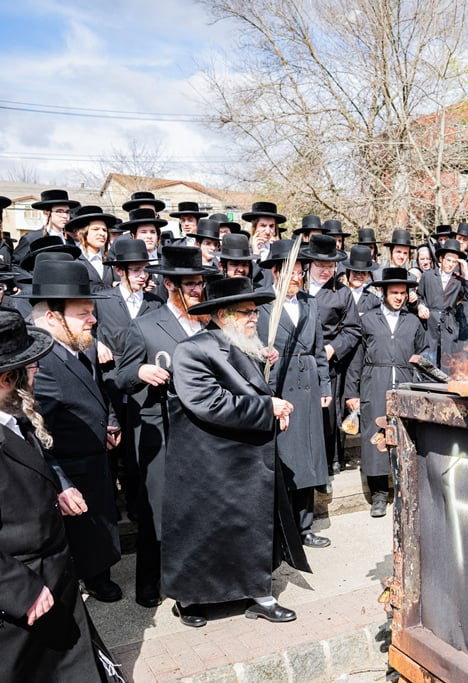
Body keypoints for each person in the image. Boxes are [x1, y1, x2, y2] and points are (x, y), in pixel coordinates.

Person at [163, 276, 309, 627]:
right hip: (206, 462)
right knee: (203, 533)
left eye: (255, 312)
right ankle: (191, 599)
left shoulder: (242, 344)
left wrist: (273, 413)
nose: (254, 318)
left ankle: (260, 595)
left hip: (243, 458)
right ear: (223, 315)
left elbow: (251, 392)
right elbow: (208, 403)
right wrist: (267, 409)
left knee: (251, 528)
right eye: (246, 312)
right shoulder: (193, 350)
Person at [0, 308, 117, 681]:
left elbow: (35, 461)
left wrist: (58, 486)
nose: (37, 374)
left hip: (54, 577)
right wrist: (19, 591)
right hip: (24, 596)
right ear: (7, 378)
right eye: (31, 367)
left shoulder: (15, 418)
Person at [17, 259, 123, 602]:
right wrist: (61, 482)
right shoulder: (41, 365)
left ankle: (97, 573)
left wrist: (109, 421)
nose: (93, 320)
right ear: (52, 317)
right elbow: (34, 431)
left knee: (99, 532)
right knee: (83, 537)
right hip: (71, 469)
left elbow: (95, 390)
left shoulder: (79, 344)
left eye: (92, 311)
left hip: (95, 459)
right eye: (84, 313)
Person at [116, 246, 210, 608]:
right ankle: (149, 582)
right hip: (158, 430)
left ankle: (189, 583)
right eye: (190, 285)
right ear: (169, 284)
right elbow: (121, 377)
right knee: (156, 509)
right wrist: (139, 371)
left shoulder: (206, 322)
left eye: (200, 283)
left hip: (199, 431)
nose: (197, 291)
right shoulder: (143, 325)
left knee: (194, 508)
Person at [257, 240, 333, 548]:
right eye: (291, 271)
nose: (297, 277)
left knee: (309, 458)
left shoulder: (309, 303)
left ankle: (304, 526)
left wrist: (325, 385)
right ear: (275, 272)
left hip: (309, 386)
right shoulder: (262, 306)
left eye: (301, 271)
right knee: (285, 457)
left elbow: (318, 349)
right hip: (278, 384)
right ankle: (282, 529)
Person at [92, 239, 163, 542]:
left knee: (137, 451)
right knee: (110, 449)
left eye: (145, 270)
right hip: (108, 385)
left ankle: (138, 507)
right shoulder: (102, 300)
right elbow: (87, 332)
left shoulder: (154, 303)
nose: (142, 276)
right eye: (135, 270)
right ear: (120, 271)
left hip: (141, 389)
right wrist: (95, 343)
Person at [344, 267, 428, 517]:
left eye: (403, 293)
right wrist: (352, 392)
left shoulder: (413, 322)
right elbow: (356, 358)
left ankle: (404, 489)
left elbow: (424, 353)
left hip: (404, 383)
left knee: (405, 437)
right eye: (394, 293)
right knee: (375, 439)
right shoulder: (368, 319)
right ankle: (379, 495)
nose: (399, 297)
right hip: (375, 382)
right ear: (383, 293)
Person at [303, 235, 361, 479]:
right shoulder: (298, 288)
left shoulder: (342, 293)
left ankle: (330, 461)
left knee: (329, 414)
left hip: (328, 361)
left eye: (330, 266)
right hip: (301, 361)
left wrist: (333, 348)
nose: (326, 271)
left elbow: (353, 329)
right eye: (320, 266)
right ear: (309, 265)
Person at [417, 238, 468, 370]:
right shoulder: (428, 276)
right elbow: (420, 296)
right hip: (429, 326)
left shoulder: (458, 281)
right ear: (441, 259)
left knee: (447, 366)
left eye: (454, 261)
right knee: (428, 363)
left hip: (449, 326)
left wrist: (466, 271)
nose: (450, 264)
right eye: (448, 260)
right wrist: (421, 306)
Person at [12, 189, 80, 265]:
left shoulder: (70, 241)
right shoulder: (32, 239)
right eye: (59, 211)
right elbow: (15, 266)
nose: (65, 216)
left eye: (67, 212)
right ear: (46, 212)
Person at [65, 205, 116, 292]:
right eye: (95, 229)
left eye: (104, 230)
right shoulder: (73, 260)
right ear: (82, 233)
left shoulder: (110, 260)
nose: (102, 233)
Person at [344, 245, 383, 315]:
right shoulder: (338, 295)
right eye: (355, 271)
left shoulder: (374, 300)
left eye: (363, 273)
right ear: (348, 272)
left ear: (368, 275)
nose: (359, 276)